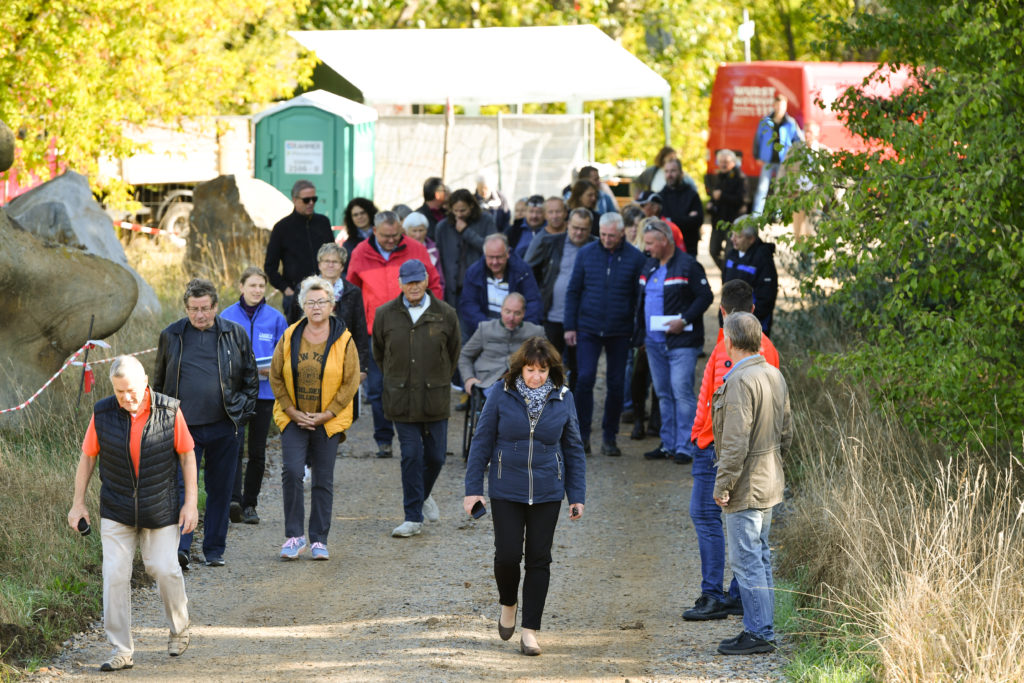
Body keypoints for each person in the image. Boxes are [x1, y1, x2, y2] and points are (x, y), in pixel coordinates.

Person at [68, 356, 197, 672]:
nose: (126, 397)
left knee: (164, 568)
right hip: (117, 508)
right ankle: (121, 650)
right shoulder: (103, 413)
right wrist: (78, 503)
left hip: (160, 507)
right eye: (119, 391)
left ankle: (179, 629)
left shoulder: (169, 411)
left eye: (131, 390)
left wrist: (191, 502)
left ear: (145, 382)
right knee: (114, 575)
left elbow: (187, 455)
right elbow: (87, 458)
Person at [463, 336, 586, 657]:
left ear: (551, 370)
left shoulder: (564, 397)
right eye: (531, 370)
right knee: (506, 556)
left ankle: (530, 631)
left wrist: (576, 495)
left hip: (548, 490)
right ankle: (508, 603)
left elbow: (574, 448)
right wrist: (473, 490)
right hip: (506, 487)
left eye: (542, 371)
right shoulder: (500, 393)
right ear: (520, 368)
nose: (536, 377)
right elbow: (481, 441)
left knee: (538, 560)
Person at [683, 280, 779, 622]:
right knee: (752, 536)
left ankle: (716, 596)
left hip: (718, 448)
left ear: (722, 312)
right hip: (754, 450)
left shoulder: (731, 348)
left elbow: (726, 408)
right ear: (753, 310)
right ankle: (741, 599)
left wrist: (702, 439)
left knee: (709, 516)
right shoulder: (768, 348)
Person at [153, 278, 258, 568]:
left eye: (205, 308)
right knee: (182, 488)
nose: (200, 315)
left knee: (220, 489)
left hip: (225, 425)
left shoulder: (235, 334)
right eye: (194, 309)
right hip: (183, 428)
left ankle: (214, 549)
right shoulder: (171, 335)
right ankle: (182, 549)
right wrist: (162, 420)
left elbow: (250, 380)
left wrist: (241, 415)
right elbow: (159, 382)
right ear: (186, 308)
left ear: (215, 306)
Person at [713, 312, 792, 655]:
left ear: (729, 341)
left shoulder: (739, 381)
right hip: (769, 478)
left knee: (747, 560)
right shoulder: (774, 373)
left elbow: (734, 444)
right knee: (759, 555)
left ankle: (759, 632)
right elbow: (787, 431)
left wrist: (723, 485)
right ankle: (761, 628)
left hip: (746, 484)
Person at [270, 276, 360, 561]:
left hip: (328, 420)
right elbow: (275, 376)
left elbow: (351, 381)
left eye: (322, 301)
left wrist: (327, 414)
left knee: (323, 478)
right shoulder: (290, 336)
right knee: (292, 472)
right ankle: (294, 537)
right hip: (294, 418)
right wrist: (291, 410)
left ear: (332, 305)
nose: (316, 307)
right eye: (310, 302)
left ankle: (319, 539)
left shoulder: (344, 339)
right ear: (302, 305)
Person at [372, 259, 461, 538]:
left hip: (434, 397)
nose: (414, 286)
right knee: (410, 455)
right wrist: (397, 377)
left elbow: (453, 353)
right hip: (400, 397)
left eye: (418, 280)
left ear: (426, 280)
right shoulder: (384, 314)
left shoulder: (446, 314)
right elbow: (379, 353)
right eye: (408, 281)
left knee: (436, 456)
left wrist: (437, 378)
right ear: (400, 283)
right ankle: (412, 517)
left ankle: (422, 494)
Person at [346, 211, 443, 458]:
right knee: (377, 387)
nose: (391, 240)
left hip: (413, 328)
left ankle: (415, 437)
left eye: (396, 235)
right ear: (374, 231)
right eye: (386, 236)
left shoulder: (415, 249)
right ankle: (384, 439)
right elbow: (352, 292)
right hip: (375, 330)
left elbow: (434, 283)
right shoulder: (360, 252)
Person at [564, 212, 646, 456]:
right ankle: (582, 436)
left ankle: (610, 437)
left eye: (612, 235)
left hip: (619, 330)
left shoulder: (635, 258)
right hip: (588, 327)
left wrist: (638, 329)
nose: (607, 239)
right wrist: (570, 326)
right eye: (603, 235)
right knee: (585, 378)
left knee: (616, 383)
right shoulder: (586, 253)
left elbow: (639, 298)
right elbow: (573, 290)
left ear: (621, 233)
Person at [634, 220, 713, 464]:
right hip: (654, 343)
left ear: (664, 241)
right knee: (663, 394)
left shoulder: (688, 265)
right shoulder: (649, 265)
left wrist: (684, 319)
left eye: (650, 243)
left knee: (681, 392)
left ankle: (685, 446)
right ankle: (668, 444)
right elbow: (641, 302)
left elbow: (705, 296)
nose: (646, 248)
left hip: (682, 342)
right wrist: (641, 335)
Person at [221, 267, 287, 525]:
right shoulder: (226, 316)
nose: (257, 290)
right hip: (235, 393)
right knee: (235, 446)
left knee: (257, 451)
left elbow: (284, 355)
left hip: (265, 393)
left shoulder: (276, 318)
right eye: (252, 285)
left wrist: (273, 369)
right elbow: (219, 354)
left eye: (261, 286)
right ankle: (233, 501)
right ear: (241, 287)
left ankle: (250, 504)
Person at [526, 207, 595, 392]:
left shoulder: (596, 247)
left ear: (590, 229)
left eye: (583, 229)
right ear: (568, 224)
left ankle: (574, 405)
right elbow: (530, 268)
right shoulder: (552, 242)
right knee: (547, 365)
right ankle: (547, 404)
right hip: (552, 315)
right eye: (575, 228)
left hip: (582, 319)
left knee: (579, 368)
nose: (578, 233)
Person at [264, 179, 335, 323]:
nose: (311, 203)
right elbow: (270, 267)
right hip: (296, 297)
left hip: (325, 293)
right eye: (306, 200)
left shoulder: (323, 223)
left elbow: (333, 256)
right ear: (295, 199)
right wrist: (287, 289)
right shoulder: (282, 228)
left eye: (314, 199)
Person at [459, 293, 545, 398]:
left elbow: (550, 359)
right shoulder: (485, 329)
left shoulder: (536, 332)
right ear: (501, 310)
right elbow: (465, 355)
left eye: (517, 313)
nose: (511, 318)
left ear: (523, 313)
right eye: (507, 311)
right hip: (488, 381)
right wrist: (469, 378)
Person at [458, 233, 543, 338]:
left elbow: (533, 302)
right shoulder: (474, 272)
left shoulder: (522, 271)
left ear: (508, 253)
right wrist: (489, 329)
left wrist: (520, 330)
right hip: (484, 333)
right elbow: (469, 305)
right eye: (491, 257)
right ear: (485, 255)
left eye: (499, 257)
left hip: (517, 333)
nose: (495, 262)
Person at [434, 188, 498, 310]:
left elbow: (493, 248)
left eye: (463, 210)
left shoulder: (486, 221)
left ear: (471, 206)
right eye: (455, 211)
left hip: (479, 287)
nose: (459, 215)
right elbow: (439, 259)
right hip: (452, 290)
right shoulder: (442, 227)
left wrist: (466, 232)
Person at [316, 243, 370, 378]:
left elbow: (360, 330)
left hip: (344, 359)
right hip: (311, 358)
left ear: (342, 266)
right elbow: (294, 325)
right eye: (326, 261)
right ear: (319, 265)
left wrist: (362, 367)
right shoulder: (305, 289)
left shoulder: (353, 292)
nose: (330, 265)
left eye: (335, 262)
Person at [723, 222, 778, 336]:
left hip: (753, 326)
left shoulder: (763, 258)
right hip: (728, 323)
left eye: (738, 236)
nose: (733, 239)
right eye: (732, 235)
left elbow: (766, 297)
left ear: (751, 239)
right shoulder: (731, 255)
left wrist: (746, 322)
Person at [751, 93, 803, 216]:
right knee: (762, 188)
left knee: (780, 189)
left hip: (783, 161)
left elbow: (798, 141)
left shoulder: (790, 123)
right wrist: (757, 156)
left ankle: (777, 215)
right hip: (767, 160)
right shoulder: (765, 121)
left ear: (786, 107)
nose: (780, 108)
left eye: (783, 106)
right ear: (774, 106)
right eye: (778, 105)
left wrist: (794, 156)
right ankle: (756, 215)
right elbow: (758, 139)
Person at [705, 150, 748, 273]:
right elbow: (714, 197)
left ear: (733, 162)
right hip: (718, 222)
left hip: (732, 222)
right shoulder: (718, 177)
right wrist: (711, 205)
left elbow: (743, 200)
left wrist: (722, 196)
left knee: (729, 253)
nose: (723, 165)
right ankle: (727, 273)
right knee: (713, 250)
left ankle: (728, 275)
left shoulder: (740, 177)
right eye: (721, 162)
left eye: (726, 162)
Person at [659, 158, 704, 256]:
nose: (669, 175)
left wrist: (669, 220)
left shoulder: (691, 195)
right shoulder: (659, 197)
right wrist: (685, 219)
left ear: (681, 173)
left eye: (673, 171)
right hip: (666, 249)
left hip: (688, 248)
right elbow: (659, 223)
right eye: (666, 171)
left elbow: (697, 220)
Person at [403, 211, 445, 294]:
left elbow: (439, 280)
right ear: (406, 232)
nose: (418, 235)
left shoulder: (433, 250)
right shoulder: (400, 250)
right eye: (414, 231)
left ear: (426, 230)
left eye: (421, 230)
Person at [341, 197, 378, 269]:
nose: (359, 217)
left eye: (362, 213)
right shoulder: (348, 245)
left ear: (370, 213)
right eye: (355, 215)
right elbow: (346, 270)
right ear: (351, 219)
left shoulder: (384, 236)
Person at [416, 176, 448, 241]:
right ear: (437, 194)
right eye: (444, 191)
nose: (446, 193)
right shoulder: (418, 216)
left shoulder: (447, 213)